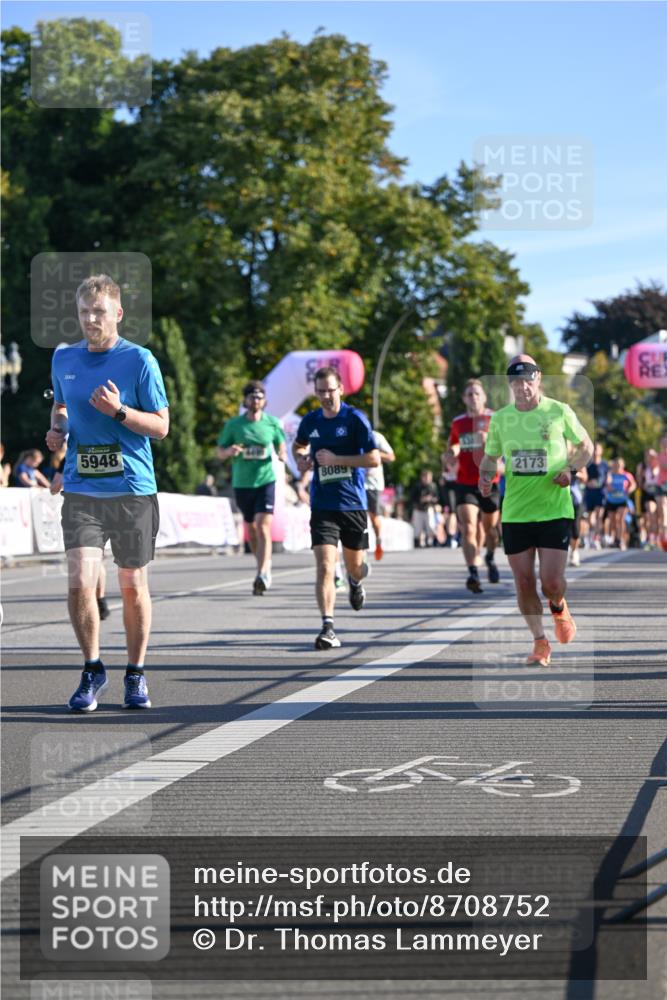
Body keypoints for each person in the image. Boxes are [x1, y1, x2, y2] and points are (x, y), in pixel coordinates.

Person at [45, 274, 169, 712]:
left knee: (132, 584)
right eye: (83, 313)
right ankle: (92, 667)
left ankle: (135, 673)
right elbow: (61, 406)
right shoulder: (64, 359)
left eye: (98, 312)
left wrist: (118, 411)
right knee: (81, 579)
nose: (90, 320)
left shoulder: (139, 361)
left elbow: (161, 426)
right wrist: (58, 431)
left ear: (117, 313)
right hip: (82, 487)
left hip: (132, 488)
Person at [479, 355, 593, 667]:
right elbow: (491, 456)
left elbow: (586, 447)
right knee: (524, 582)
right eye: (515, 382)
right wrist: (485, 476)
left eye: (527, 380)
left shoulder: (558, 411)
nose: (522, 387)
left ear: (538, 379)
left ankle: (559, 607)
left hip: (554, 508)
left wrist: (571, 469)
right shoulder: (502, 418)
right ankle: (540, 641)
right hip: (516, 511)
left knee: (551, 583)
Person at [292, 366, 379, 649]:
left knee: (355, 567)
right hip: (323, 504)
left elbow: (374, 459)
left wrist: (336, 459)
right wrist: (303, 460)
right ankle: (327, 626)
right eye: (321, 392)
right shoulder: (311, 421)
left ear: (341, 389)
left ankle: (356, 582)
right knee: (325, 566)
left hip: (352, 503)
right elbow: (298, 447)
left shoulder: (355, 419)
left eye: (331, 390)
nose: (326, 396)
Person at [217, 381, 287, 594]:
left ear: (264, 401)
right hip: (243, 483)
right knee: (252, 529)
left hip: (266, 480)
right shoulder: (234, 425)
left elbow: (281, 444)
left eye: (259, 397)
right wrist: (229, 451)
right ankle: (261, 565)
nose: (255, 400)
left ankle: (264, 571)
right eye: (251, 397)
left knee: (262, 525)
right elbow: (219, 451)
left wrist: (282, 454)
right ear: (245, 400)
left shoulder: (273, 423)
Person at [445, 378, 500, 593]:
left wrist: (489, 442)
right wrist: (451, 454)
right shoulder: (458, 422)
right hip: (465, 482)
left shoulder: (494, 418)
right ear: (464, 399)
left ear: (484, 397)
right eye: (469, 394)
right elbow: (453, 446)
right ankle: (473, 573)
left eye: (477, 393)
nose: (473, 397)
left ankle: (490, 556)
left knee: (491, 530)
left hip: (489, 481)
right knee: (468, 525)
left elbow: (505, 448)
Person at [365, 429, 395, 560]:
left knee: (374, 517)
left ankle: (378, 541)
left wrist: (374, 454)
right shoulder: (350, 434)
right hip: (357, 483)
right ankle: (361, 549)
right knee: (358, 516)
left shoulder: (376, 437)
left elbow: (391, 456)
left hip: (373, 483)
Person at [603, 458, 637, 550]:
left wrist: (629, 490)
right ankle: (615, 539)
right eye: (616, 464)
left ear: (623, 465)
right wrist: (609, 484)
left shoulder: (626, 475)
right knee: (613, 521)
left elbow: (633, 484)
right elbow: (607, 483)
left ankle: (621, 539)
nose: (618, 466)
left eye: (620, 465)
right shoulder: (610, 474)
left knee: (621, 519)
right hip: (611, 500)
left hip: (622, 500)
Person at [584, 443, 609, 548]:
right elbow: (584, 478)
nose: (595, 451)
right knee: (590, 517)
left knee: (599, 515)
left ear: (601, 451)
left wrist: (607, 483)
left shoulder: (604, 464)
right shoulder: (588, 464)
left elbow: (608, 477)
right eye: (594, 449)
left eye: (597, 449)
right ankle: (590, 536)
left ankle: (596, 538)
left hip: (601, 492)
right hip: (590, 492)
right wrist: (588, 483)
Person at [410, 469, 439, 547]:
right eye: (426, 477)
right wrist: (421, 499)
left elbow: (437, 498)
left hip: (428, 508)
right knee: (418, 527)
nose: (427, 479)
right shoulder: (417, 486)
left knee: (430, 526)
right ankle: (416, 542)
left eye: (429, 477)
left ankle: (429, 541)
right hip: (418, 509)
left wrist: (431, 500)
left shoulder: (433, 486)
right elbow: (412, 498)